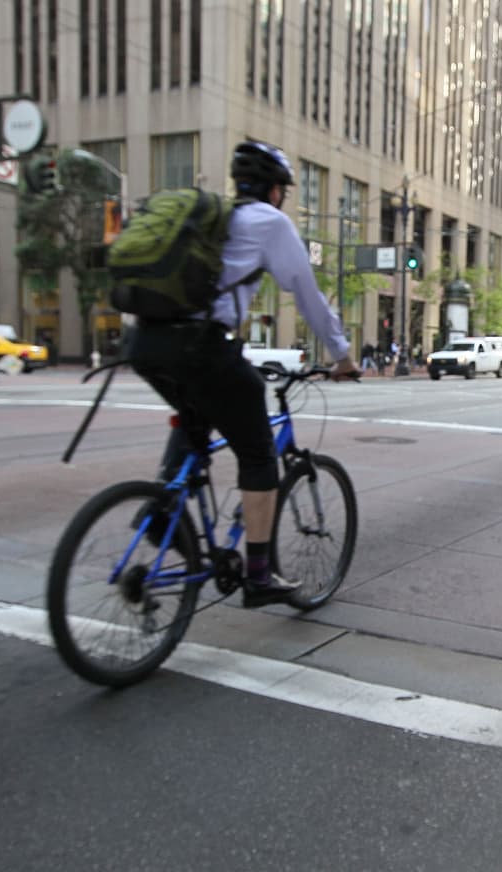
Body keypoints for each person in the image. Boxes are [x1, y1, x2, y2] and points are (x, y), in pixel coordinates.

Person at [127, 141, 359, 609]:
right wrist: (342, 356)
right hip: (200, 344)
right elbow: (307, 295)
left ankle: (161, 511)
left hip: (143, 341)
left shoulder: (212, 219)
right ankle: (257, 575)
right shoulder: (270, 222)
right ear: (276, 190)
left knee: (195, 416)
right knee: (257, 454)